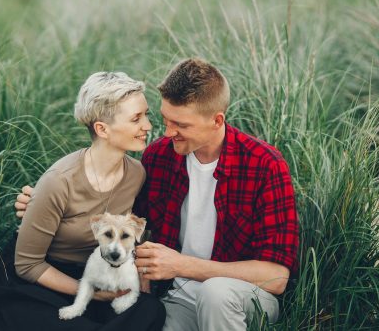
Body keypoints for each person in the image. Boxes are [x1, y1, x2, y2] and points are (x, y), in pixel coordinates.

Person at [17, 59, 299, 330]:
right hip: (178, 300)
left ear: (217, 120)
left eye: (181, 125)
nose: (166, 132)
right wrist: (45, 204)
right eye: (165, 119)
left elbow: (276, 278)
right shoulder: (158, 157)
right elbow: (126, 217)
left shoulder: (265, 164)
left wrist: (182, 265)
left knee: (215, 293)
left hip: (241, 299)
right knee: (145, 320)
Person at [0, 72, 166, 331]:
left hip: (99, 270)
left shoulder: (136, 173)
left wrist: (136, 280)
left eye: (146, 115)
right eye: (136, 118)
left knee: (151, 310)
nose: (147, 125)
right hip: (42, 281)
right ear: (102, 129)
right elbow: (27, 264)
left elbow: (138, 233)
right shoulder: (59, 181)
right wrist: (90, 292)